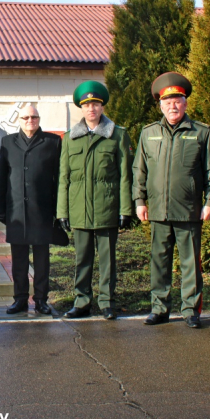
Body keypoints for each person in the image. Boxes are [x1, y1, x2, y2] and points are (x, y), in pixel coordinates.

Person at [133, 72, 210, 328]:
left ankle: (191, 310)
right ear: (160, 105)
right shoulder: (149, 133)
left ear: (185, 103)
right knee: (159, 261)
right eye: (167, 102)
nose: (172, 106)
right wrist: (140, 201)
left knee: (190, 262)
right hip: (157, 210)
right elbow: (140, 170)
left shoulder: (201, 133)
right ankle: (159, 308)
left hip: (190, 210)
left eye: (177, 100)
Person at [57, 81, 132, 320]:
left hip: (106, 207)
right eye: (87, 104)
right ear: (81, 107)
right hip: (79, 209)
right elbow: (64, 177)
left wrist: (125, 209)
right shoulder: (70, 138)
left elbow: (124, 175)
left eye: (96, 104)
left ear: (102, 107)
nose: (91, 109)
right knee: (82, 260)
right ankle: (82, 302)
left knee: (107, 261)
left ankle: (107, 302)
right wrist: (62, 212)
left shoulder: (117, 135)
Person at [0, 104, 62, 317]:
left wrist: (59, 211)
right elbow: (2, 177)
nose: (30, 121)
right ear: (19, 120)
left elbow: (59, 178)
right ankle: (20, 300)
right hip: (16, 212)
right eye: (25, 117)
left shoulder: (52, 142)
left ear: (39, 119)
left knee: (42, 260)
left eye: (33, 117)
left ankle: (41, 300)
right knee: (19, 260)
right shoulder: (8, 143)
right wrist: (0, 209)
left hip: (42, 211)